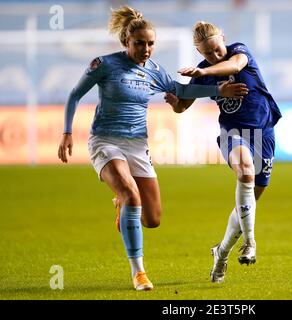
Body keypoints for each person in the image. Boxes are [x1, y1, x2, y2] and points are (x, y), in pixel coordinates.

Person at [57, 7, 248, 291]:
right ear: (126, 41)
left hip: (138, 145)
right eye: (139, 43)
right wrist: (67, 132)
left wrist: (217, 91)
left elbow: (182, 92)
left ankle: (121, 204)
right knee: (131, 194)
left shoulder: (155, 71)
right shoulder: (105, 64)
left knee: (152, 219)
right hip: (105, 141)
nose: (146, 49)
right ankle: (139, 273)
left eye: (150, 43)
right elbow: (74, 95)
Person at [164, 21, 281, 283]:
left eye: (217, 49)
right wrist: (175, 102)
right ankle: (251, 243)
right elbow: (182, 106)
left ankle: (222, 252)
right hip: (234, 132)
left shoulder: (239, 51)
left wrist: (204, 74)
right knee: (246, 173)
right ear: (199, 51)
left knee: (248, 204)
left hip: (264, 132)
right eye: (208, 53)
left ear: (223, 39)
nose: (215, 55)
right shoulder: (202, 71)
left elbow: (235, 65)